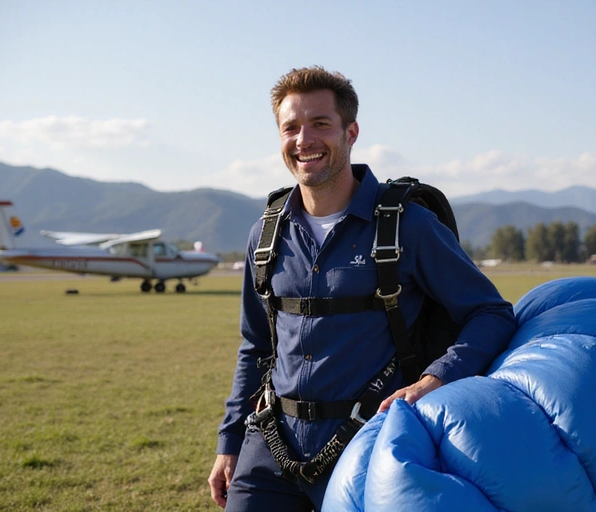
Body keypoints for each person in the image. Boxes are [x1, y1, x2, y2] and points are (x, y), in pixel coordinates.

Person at [208, 66, 517, 511]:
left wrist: (435, 380)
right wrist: (230, 439)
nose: (303, 140)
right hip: (271, 447)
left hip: (370, 444)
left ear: (350, 132)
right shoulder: (266, 234)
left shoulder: (408, 226)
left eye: (320, 124)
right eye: (290, 127)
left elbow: (490, 313)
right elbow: (256, 345)